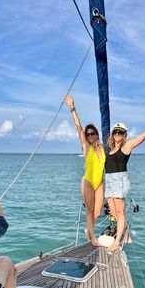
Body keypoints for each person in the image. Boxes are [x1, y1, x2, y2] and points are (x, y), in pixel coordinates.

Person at [105, 102, 145, 252]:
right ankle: (127, 235)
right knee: (114, 212)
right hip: (109, 180)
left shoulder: (126, 147)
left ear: (124, 135)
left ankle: (116, 242)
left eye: (120, 133)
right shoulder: (110, 150)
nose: (117, 135)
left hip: (119, 180)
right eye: (115, 132)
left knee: (119, 213)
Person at [65, 95, 105, 246]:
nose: (89, 136)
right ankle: (93, 239)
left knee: (97, 211)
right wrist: (72, 108)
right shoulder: (86, 148)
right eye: (87, 135)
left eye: (92, 133)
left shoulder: (103, 149)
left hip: (99, 182)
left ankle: (89, 231)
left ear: (97, 135)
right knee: (89, 211)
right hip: (88, 181)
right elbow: (78, 127)